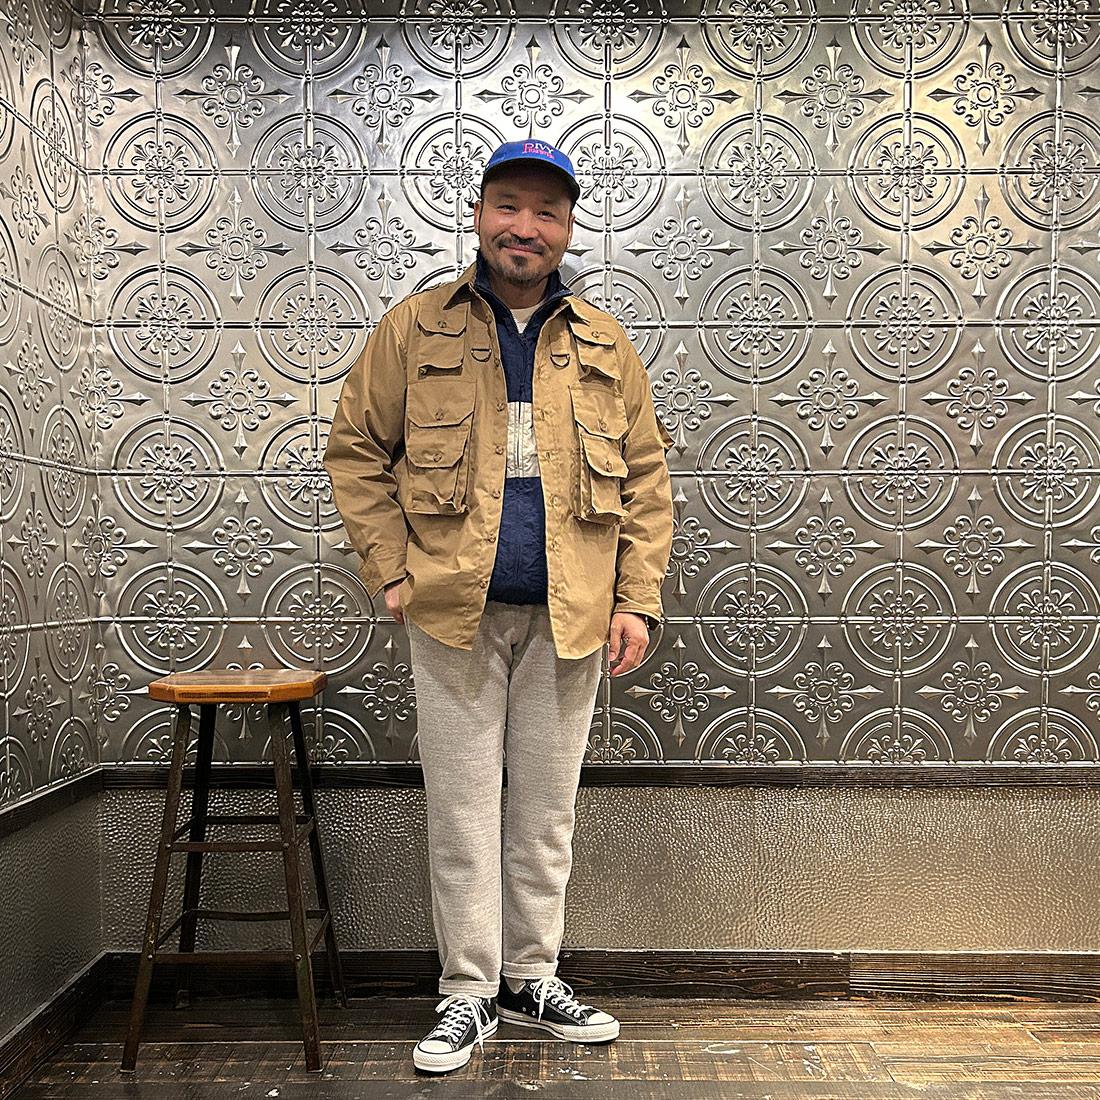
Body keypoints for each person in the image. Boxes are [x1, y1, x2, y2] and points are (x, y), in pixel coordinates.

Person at [324, 139, 674, 1075]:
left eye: (547, 212)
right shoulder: (413, 329)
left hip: (573, 617)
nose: (526, 227)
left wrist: (636, 600)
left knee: (545, 815)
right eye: (509, 205)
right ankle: (469, 989)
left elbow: (646, 482)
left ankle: (532, 977)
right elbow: (356, 451)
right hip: (452, 614)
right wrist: (391, 571)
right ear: (479, 213)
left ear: (568, 229)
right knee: (463, 813)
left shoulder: (605, 344)